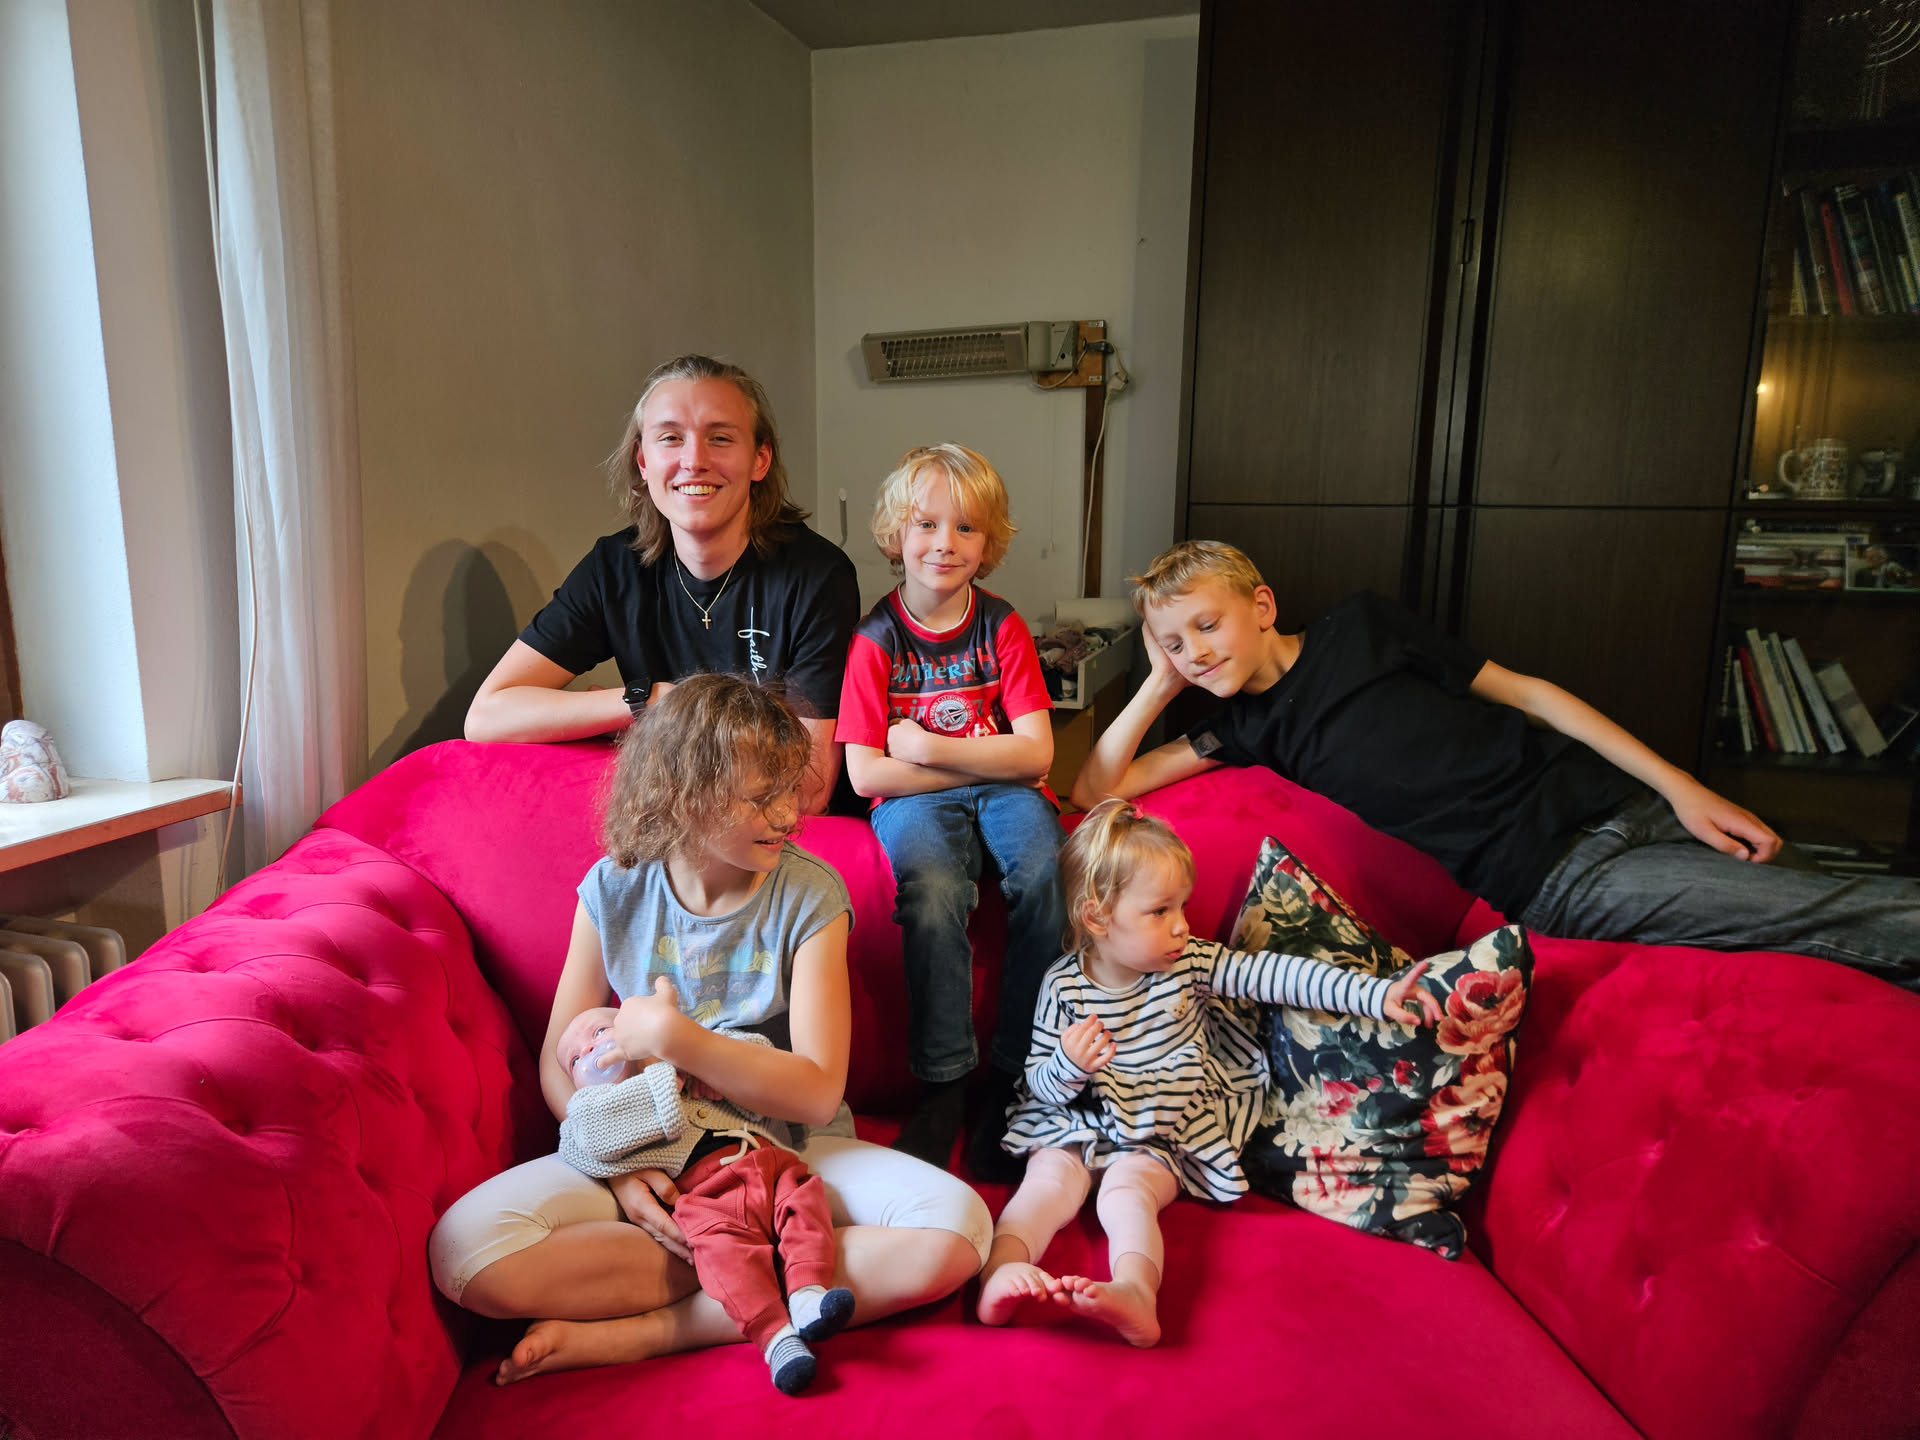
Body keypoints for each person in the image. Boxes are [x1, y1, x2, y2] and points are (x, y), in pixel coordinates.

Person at [429, 676, 991, 1385]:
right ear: (683, 794)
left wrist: (679, 1040)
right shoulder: (612, 887)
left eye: (789, 791)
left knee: (958, 1231)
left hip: (785, 1150)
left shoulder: (809, 893)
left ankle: (658, 1331)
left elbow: (818, 1092)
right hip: (652, 1145)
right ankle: (766, 1269)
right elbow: (555, 1062)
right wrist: (617, 1167)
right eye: (760, 797)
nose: (788, 814)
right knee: (464, 1253)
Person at [1072, 540, 1920, 988]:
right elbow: (1095, 789)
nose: (1195, 651)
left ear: (1261, 605)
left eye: (1207, 626)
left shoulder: (1361, 627)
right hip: (1562, 878)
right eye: (1174, 643)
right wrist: (1157, 683)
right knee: (1848, 915)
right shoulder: (1245, 729)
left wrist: (1683, 787)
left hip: (1619, 804)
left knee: (1811, 888)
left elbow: (1532, 695)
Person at [976, 799, 1439, 1346]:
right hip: (1078, 1120)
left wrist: (1375, 995)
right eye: (1160, 911)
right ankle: (999, 1272)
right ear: (1097, 917)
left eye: (1183, 907)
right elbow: (1041, 1085)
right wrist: (1068, 1066)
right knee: (1047, 1182)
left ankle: (1135, 1291)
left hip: (1161, 1128)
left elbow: (1275, 974)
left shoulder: (1191, 962)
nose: (1182, 926)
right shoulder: (1063, 986)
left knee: (1126, 1194)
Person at [464, 354, 860, 814]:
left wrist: (660, 727)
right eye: (671, 438)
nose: (694, 460)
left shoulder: (818, 576)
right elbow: (488, 716)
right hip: (679, 816)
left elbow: (808, 787)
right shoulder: (613, 567)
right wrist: (648, 701)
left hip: (781, 837)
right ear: (643, 461)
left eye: (720, 438)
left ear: (760, 459)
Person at [835, 444, 1064, 1179]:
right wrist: (980, 756)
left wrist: (931, 748)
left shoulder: (1002, 625)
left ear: (988, 541)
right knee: (933, 891)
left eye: (966, 527)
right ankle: (944, 1085)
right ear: (896, 534)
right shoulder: (875, 639)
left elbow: (1038, 755)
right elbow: (867, 772)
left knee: (1047, 873)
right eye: (926, 524)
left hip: (994, 789)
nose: (944, 543)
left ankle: (1017, 1075)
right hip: (913, 798)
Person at [552, 1007, 855, 1395]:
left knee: (805, 1198)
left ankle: (807, 1294)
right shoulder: (589, 1109)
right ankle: (776, 1338)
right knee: (722, 1258)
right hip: (705, 1200)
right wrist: (670, 1078)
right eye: (574, 1060)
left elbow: (758, 1054)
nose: (589, 1049)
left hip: (768, 1162)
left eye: (598, 1031)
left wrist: (704, 1060)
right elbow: (591, 1135)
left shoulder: (686, 1047)